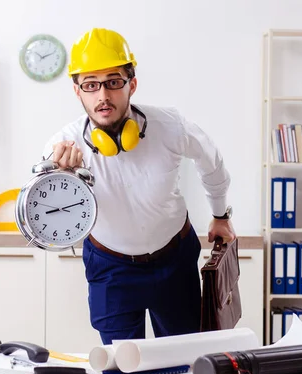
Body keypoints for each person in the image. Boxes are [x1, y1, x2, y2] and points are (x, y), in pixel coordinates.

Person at [42, 27, 236, 345]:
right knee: (122, 368)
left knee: (182, 362)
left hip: (175, 260)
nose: (102, 95)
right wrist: (61, 179)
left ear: (132, 84)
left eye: (113, 82)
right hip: (111, 268)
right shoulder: (63, 147)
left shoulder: (170, 126)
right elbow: (44, 216)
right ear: (78, 92)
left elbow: (212, 162)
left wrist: (221, 215)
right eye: (91, 85)